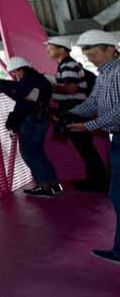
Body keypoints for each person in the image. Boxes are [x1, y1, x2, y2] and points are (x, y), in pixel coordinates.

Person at [65, 30, 120, 264]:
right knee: (117, 195)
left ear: (110, 49)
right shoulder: (103, 75)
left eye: (94, 54)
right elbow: (93, 102)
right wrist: (70, 114)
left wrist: (89, 126)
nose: (91, 60)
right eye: (87, 56)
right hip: (116, 139)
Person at [44, 37, 109, 192]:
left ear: (61, 50)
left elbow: (71, 89)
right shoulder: (68, 65)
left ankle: (98, 182)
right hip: (77, 110)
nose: (47, 50)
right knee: (85, 147)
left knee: (85, 147)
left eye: (51, 48)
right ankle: (97, 180)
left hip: (75, 110)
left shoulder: (68, 65)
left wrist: (48, 83)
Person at [0, 56, 58, 197]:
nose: (15, 75)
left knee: (30, 154)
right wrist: (1, 81)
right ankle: (54, 185)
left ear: (22, 69)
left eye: (15, 72)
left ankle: (45, 187)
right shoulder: (37, 78)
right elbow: (19, 86)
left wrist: (1, 86)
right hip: (42, 118)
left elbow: (19, 95)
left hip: (30, 120)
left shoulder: (28, 81)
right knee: (39, 152)